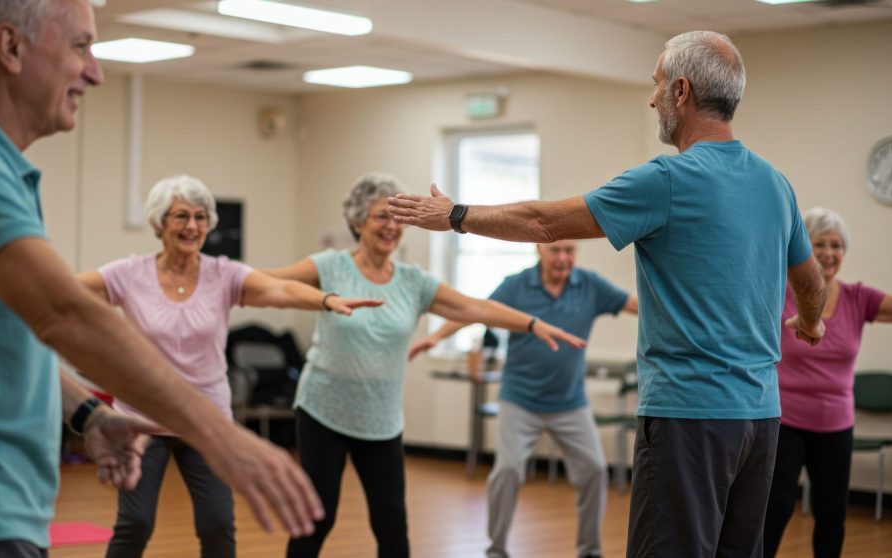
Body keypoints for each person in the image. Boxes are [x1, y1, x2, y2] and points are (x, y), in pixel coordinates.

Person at [0, 1, 321, 556]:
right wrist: (220, 435)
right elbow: (65, 314)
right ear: (10, 47)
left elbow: (2, 340)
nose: (95, 72)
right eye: (80, 46)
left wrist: (87, 412)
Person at [387, 30, 827, 558]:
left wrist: (456, 215)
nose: (652, 99)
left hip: (689, 416)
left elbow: (544, 222)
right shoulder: (775, 184)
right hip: (761, 419)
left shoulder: (667, 179)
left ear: (682, 91)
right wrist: (810, 322)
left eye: (657, 84)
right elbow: (811, 282)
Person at [264, 173, 586, 558]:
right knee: (317, 519)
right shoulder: (329, 266)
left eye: (398, 218)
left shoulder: (413, 282)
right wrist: (217, 277)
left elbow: (475, 308)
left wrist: (532, 324)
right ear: (357, 222)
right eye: (381, 216)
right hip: (323, 411)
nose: (391, 226)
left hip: (381, 419)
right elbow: (268, 284)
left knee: (392, 526)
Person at [76, 175, 379, 558]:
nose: (192, 226)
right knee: (135, 523)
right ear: (158, 222)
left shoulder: (224, 273)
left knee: (217, 522)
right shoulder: (129, 273)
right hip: (142, 420)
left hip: (207, 419)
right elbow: (65, 291)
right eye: (181, 216)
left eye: (201, 217)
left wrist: (326, 300)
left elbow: (279, 289)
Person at [408, 239, 638, 558]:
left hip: (570, 403)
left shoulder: (590, 285)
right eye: (555, 250)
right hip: (520, 400)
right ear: (538, 249)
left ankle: (590, 550)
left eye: (569, 250)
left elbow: (636, 305)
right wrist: (435, 337)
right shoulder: (516, 285)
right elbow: (474, 311)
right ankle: (497, 549)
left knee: (595, 470)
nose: (563, 257)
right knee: (509, 469)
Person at [763, 207, 892, 558]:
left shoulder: (858, 298)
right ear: (803, 248)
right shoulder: (778, 291)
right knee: (776, 508)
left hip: (836, 425)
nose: (829, 253)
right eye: (819, 244)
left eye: (836, 245)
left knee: (832, 514)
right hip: (784, 422)